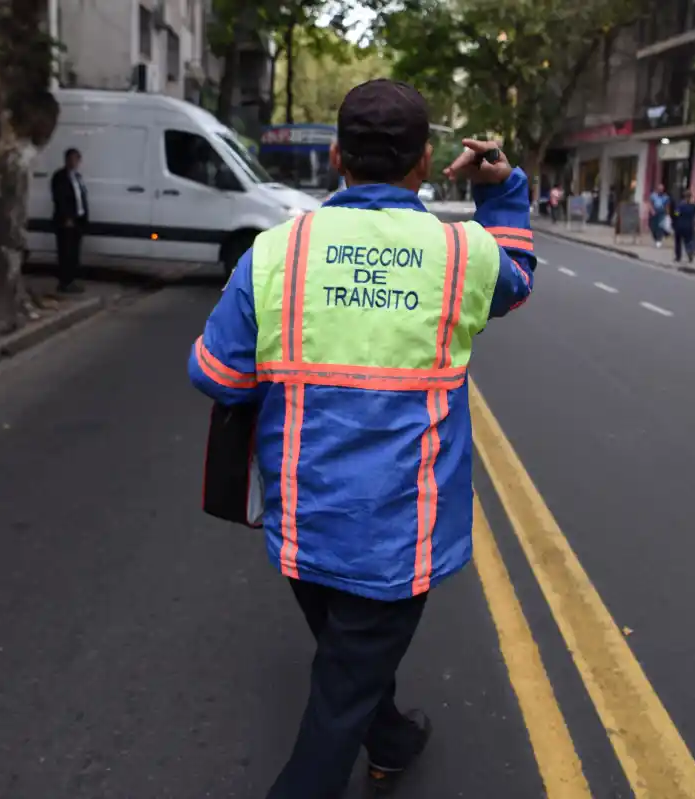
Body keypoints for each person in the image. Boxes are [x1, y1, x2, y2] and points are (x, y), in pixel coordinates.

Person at [187, 79, 534, 799]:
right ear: (427, 161)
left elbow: (215, 372)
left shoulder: (276, 252)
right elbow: (518, 278)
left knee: (350, 662)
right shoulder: (461, 254)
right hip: (397, 534)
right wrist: (503, 189)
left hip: (302, 522)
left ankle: (394, 740)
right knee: (342, 688)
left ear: (337, 156)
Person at [51, 147, 89, 294]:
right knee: (65, 252)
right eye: (72, 159)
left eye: (77, 159)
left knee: (74, 253)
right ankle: (64, 282)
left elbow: (81, 198)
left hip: (78, 220)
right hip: (66, 221)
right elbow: (59, 198)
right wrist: (67, 217)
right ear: (66, 160)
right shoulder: (60, 176)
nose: (74, 162)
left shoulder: (78, 177)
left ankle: (72, 281)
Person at [671, 190, 695, 263]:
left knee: (678, 242)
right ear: (690, 197)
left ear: (684, 197)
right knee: (688, 241)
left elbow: (676, 214)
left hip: (679, 226)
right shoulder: (693, 206)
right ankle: (690, 254)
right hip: (689, 226)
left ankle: (678, 257)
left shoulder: (680, 205)